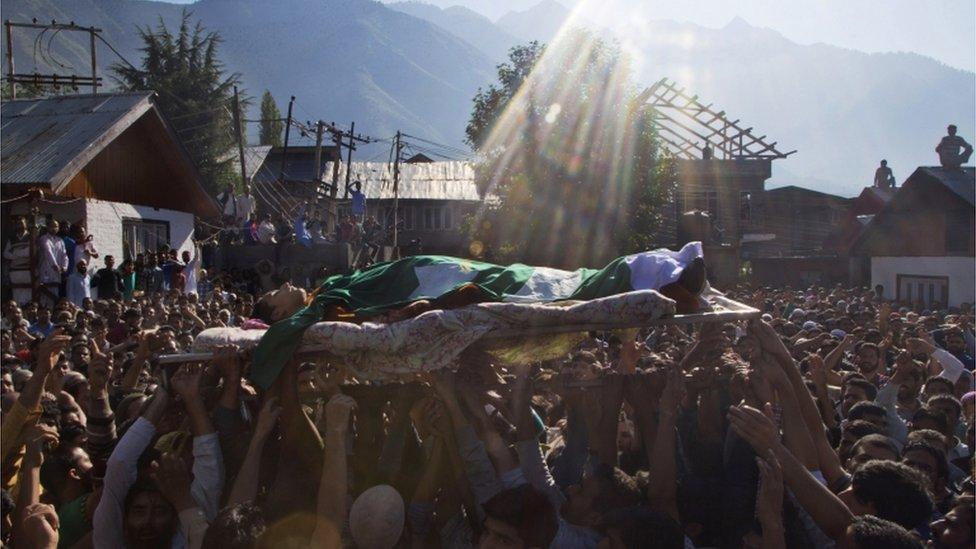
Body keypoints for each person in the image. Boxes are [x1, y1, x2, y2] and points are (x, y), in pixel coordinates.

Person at [36, 219, 69, 309]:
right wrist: (55, 265)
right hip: (46, 271)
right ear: (48, 227)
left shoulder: (60, 241)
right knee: (44, 298)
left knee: (54, 298)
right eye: (52, 226)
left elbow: (64, 255)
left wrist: (64, 267)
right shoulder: (44, 239)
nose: (54, 228)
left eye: (56, 226)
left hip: (57, 274)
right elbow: (48, 252)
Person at [3, 216, 33, 305]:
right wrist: (21, 254)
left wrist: (16, 253)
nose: (20, 225)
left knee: (29, 295)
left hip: (27, 270)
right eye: (18, 224)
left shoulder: (31, 236)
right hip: (15, 270)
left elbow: (30, 252)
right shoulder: (12, 238)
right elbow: (6, 254)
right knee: (17, 294)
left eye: (22, 223)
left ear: (26, 224)